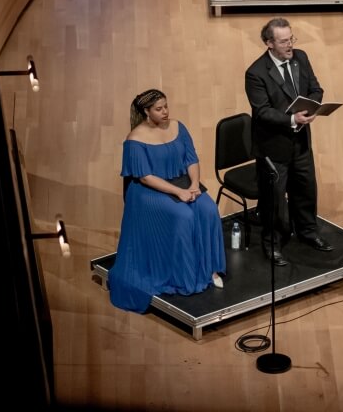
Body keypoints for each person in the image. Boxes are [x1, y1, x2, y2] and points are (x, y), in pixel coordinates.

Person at [109, 90, 226, 312]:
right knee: (183, 215)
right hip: (148, 191)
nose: (165, 112)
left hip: (182, 182)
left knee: (209, 209)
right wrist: (178, 193)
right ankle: (184, 276)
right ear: (146, 112)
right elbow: (145, 177)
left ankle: (210, 269)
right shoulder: (134, 140)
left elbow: (191, 159)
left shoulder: (178, 127)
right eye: (158, 109)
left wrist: (194, 184)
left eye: (166, 106)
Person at [244, 18, 331, 266]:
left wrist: (312, 107)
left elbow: (316, 88)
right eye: (283, 41)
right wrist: (292, 117)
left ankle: (308, 233)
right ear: (269, 43)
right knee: (274, 200)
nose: (289, 45)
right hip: (273, 147)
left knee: (305, 189)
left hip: (301, 142)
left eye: (291, 39)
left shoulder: (301, 57)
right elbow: (262, 111)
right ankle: (272, 245)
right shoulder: (256, 73)